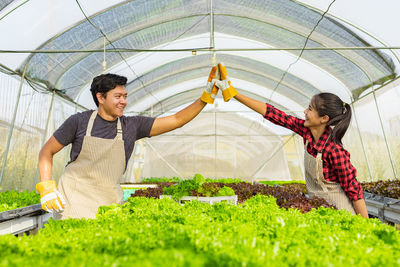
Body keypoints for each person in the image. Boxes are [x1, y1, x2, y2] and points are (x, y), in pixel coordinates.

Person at [36, 67, 219, 219]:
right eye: (118, 96)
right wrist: (46, 188)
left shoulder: (132, 126)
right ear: (101, 98)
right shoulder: (79, 121)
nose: (123, 101)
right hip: (73, 202)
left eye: (125, 96)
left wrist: (205, 98)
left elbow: (177, 119)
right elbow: (47, 152)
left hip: (108, 205)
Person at [212, 62, 369, 218]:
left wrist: (365, 227)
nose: (305, 111)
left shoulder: (335, 151)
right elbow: (275, 115)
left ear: (324, 118)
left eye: (310, 109)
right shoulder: (307, 133)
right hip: (319, 213)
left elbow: (355, 192)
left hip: (340, 215)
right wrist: (234, 94)